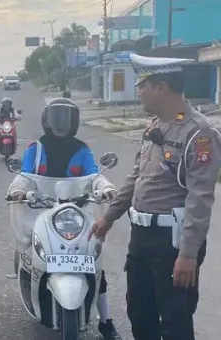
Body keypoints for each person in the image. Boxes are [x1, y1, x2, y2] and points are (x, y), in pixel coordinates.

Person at [90, 54, 221, 340]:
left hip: (172, 242)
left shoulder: (199, 134)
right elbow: (136, 176)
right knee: (139, 312)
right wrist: (109, 216)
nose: (139, 92)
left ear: (162, 87)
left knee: (175, 319)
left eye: (143, 85)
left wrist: (187, 254)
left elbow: (200, 198)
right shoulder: (154, 127)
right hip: (142, 237)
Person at [7, 98, 121, 340]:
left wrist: (107, 186)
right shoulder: (35, 149)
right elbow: (24, 177)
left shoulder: (82, 149)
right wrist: (18, 190)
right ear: (47, 121)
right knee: (35, 254)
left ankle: (106, 321)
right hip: (41, 211)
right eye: (56, 118)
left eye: (65, 119)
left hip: (77, 213)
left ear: (75, 122)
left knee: (94, 261)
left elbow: (94, 176)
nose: (60, 125)